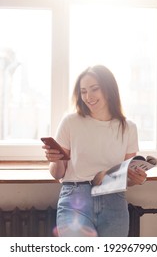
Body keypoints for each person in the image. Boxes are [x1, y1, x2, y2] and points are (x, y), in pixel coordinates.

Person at [42, 65, 147, 237]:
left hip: (114, 200)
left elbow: (125, 177)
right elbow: (57, 174)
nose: (88, 97)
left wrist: (136, 179)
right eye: (83, 91)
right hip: (75, 197)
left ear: (109, 89)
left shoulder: (128, 127)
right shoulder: (70, 121)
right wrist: (56, 159)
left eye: (94, 89)